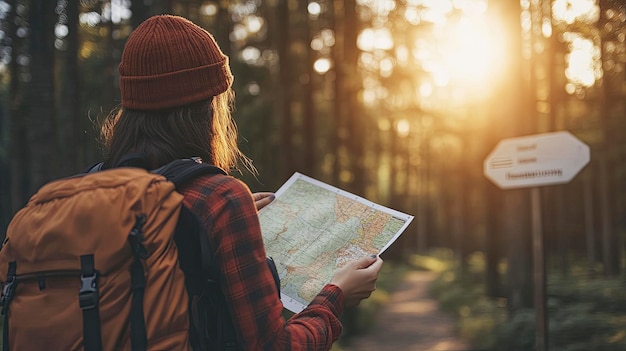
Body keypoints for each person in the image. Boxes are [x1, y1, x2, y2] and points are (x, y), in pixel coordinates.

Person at [99, 14, 384, 350]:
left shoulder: (96, 188)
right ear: (210, 106)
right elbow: (273, 346)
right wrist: (335, 296)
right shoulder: (220, 199)